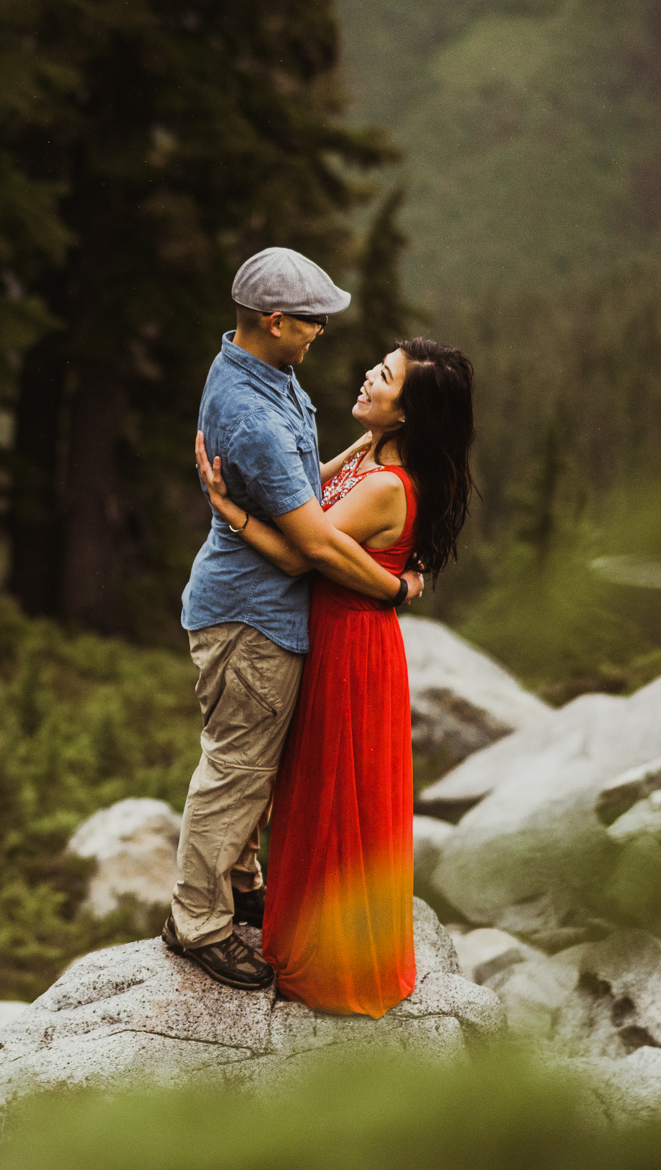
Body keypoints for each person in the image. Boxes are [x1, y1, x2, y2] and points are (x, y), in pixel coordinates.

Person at [165, 248, 423, 992]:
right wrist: (392, 588)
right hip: (252, 619)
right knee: (237, 770)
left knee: (256, 766)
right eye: (313, 322)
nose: (321, 333)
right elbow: (309, 546)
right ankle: (198, 922)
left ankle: (241, 884)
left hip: (256, 613)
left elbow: (302, 487)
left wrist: (367, 452)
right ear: (275, 320)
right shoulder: (252, 414)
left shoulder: (260, 370)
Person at [196, 336, 476, 1016]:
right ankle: (296, 915)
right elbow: (316, 490)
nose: (367, 377)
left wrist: (228, 509)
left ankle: (332, 956)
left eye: (384, 376)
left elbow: (302, 550)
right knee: (314, 782)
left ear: (406, 413)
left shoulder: (385, 485)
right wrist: (399, 579)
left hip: (349, 646)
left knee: (334, 789)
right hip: (338, 634)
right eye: (377, 366)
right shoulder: (372, 458)